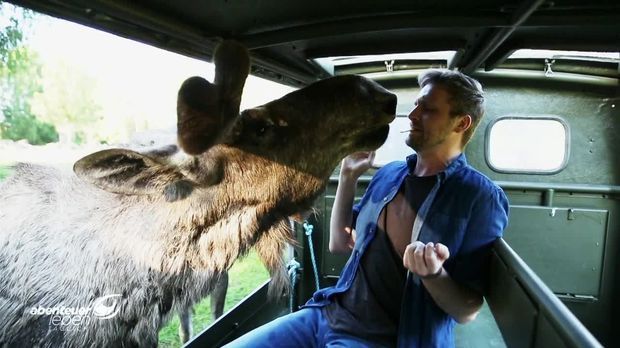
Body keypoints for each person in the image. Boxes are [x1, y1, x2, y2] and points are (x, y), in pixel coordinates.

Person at [225, 69, 509, 347]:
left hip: (383, 338)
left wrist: (433, 275)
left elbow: (467, 310)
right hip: (326, 314)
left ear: (461, 124)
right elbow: (340, 242)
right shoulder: (389, 175)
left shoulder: (480, 197)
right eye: (416, 105)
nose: (412, 116)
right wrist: (348, 177)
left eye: (428, 110)